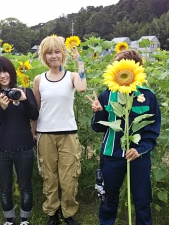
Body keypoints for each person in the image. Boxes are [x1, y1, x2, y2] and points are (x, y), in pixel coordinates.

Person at [86, 49, 161, 225]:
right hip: (112, 155)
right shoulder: (108, 94)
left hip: (138, 156)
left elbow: (152, 130)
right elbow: (97, 127)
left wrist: (140, 149)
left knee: (142, 199)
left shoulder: (147, 96)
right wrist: (98, 112)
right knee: (108, 198)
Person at [32, 35, 87, 225]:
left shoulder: (71, 76)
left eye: (57, 51)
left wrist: (79, 63)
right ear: (44, 56)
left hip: (68, 134)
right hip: (45, 134)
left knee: (69, 177)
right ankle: (52, 212)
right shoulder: (39, 80)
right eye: (49, 52)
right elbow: (36, 109)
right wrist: (33, 131)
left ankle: (68, 213)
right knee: (49, 176)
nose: (53, 56)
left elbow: (82, 88)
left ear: (63, 54)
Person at [0, 56, 39, 225]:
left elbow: (34, 115)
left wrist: (23, 100)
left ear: (12, 72)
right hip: (1, 150)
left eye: (5, 71)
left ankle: (24, 220)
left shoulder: (25, 92)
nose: (2, 75)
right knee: (5, 188)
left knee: (25, 187)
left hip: (24, 148)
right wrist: (2, 107)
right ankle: (9, 220)